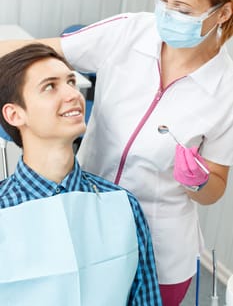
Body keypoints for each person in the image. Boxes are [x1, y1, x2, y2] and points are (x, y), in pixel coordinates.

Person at [0, 0, 233, 304]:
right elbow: (44, 52)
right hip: (84, 218)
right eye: (163, 1)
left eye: (182, 9)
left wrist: (198, 181)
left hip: (158, 243)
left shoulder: (226, 89)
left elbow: (214, 187)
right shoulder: (130, 32)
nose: (166, 15)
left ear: (222, 13)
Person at [0, 43, 162, 306]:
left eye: (71, 81)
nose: (73, 94)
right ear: (15, 114)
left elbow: (145, 300)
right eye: (50, 86)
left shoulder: (123, 204)